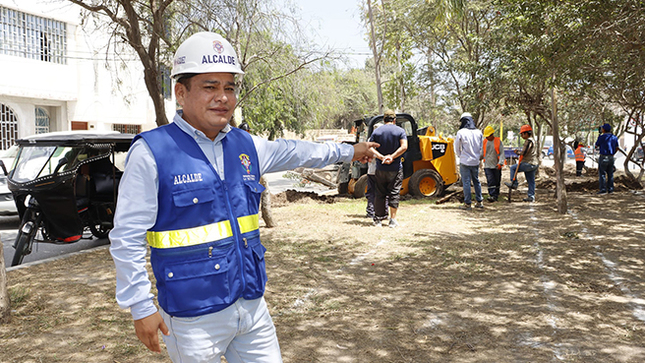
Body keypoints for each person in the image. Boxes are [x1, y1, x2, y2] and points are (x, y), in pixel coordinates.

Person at [108, 32, 378, 363]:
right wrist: (140, 305)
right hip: (193, 317)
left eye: (229, 87)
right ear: (181, 93)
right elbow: (127, 237)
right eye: (210, 87)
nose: (222, 97)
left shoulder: (246, 145)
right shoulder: (152, 152)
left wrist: (349, 150)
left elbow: (297, 151)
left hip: (250, 305)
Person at [368, 109, 408, 228]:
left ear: (384, 119)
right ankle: (393, 220)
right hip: (395, 167)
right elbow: (404, 146)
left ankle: (378, 220)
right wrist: (392, 156)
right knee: (394, 192)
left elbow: (370, 147)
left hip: (380, 168)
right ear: (394, 120)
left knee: (379, 192)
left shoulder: (377, 131)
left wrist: (381, 157)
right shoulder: (400, 131)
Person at [455, 112, 484, 210]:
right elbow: (481, 148)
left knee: (466, 182)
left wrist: (461, 156)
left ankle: (467, 204)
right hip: (475, 161)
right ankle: (479, 202)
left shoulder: (461, 132)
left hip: (465, 161)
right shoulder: (479, 132)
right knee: (476, 181)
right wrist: (477, 157)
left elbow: (457, 148)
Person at [504, 124, 538, 202]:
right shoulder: (533, 140)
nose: (522, 136)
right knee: (530, 181)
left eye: (522, 134)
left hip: (529, 163)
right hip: (534, 163)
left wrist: (517, 152)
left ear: (526, 133)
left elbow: (524, 152)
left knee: (513, 168)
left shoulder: (529, 141)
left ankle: (514, 184)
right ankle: (531, 196)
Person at [482, 125, 505, 202]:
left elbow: (502, 153)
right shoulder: (484, 142)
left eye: (488, 136)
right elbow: (482, 153)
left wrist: (500, 163)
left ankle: (496, 195)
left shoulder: (498, 142)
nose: (487, 138)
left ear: (492, 134)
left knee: (497, 181)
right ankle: (492, 195)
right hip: (487, 165)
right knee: (490, 180)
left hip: (496, 165)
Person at [595, 123, 619, 194]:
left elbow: (596, 146)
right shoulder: (614, 137)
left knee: (602, 174)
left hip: (603, 157)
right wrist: (612, 154)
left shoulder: (601, 137)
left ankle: (603, 189)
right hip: (611, 157)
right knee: (610, 173)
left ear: (604, 129)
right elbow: (617, 148)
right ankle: (610, 189)